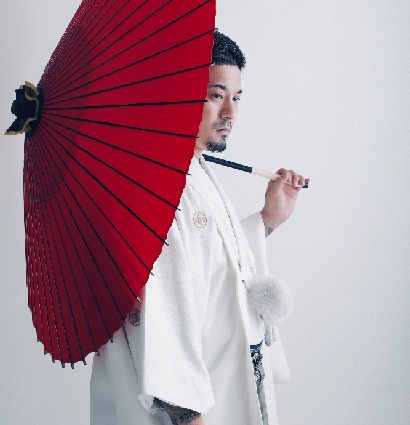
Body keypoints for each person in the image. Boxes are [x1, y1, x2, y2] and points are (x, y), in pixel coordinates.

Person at [90, 31, 308, 425]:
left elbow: (213, 258)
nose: (230, 112)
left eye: (237, 97)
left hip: (226, 383)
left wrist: (267, 221)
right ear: (178, 94)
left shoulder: (193, 167)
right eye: (215, 95)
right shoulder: (156, 188)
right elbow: (161, 327)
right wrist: (190, 418)